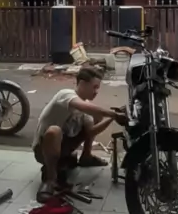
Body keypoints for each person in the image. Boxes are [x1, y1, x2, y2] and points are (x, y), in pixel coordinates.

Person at [33, 65, 125, 196]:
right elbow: (83, 106)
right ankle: (50, 180)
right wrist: (113, 114)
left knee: (96, 117)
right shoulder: (65, 94)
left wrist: (112, 118)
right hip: (43, 150)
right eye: (94, 87)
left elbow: (91, 132)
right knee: (54, 131)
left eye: (98, 88)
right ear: (82, 84)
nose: (96, 92)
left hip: (63, 148)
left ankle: (86, 157)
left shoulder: (85, 107)